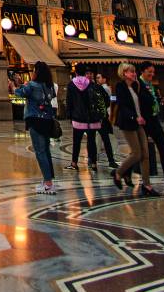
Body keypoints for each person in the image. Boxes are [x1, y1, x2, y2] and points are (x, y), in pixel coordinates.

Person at [111, 61, 159, 196]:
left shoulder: (136, 85)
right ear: (124, 73)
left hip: (139, 123)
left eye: (134, 71)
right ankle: (119, 172)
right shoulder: (120, 86)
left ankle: (147, 185)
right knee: (136, 153)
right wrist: (134, 117)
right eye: (131, 71)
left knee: (145, 155)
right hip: (128, 123)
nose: (134, 74)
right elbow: (123, 106)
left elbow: (147, 101)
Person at [14, 60, 57, 194]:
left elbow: (18, 93)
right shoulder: (49, 86)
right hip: (47, 120)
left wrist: (18, 83)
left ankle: (48, 183)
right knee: (46, 150)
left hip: (35, 120)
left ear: (36, 72)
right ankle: (48, 180)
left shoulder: (32, 85)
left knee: (40, 152)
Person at [138, 61, 164, 194]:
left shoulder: (151, 85)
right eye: (149, 71)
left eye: (153, 71)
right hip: (144, 123)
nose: (152, 74)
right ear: (143, 71)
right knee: (142, 154)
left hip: (154, 121)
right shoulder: (138, 85)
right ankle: (126, 173)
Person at [65, 63, 101, 171]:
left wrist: (69, 115)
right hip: (91, 118)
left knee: (77, 141)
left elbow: (69, 101)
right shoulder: (91, 84)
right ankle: (93, 163)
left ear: (75, 72)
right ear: (85, 72)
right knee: (91, 141)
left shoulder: (71, 84)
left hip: (77, 118)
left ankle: (74, 162)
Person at [88, 69, 117, 168]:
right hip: (101, 116)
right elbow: (109, 101)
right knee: (103, 138)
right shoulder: (98, 87)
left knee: (95, 139)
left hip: (97, 117)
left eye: (98, 77)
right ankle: (110, 160)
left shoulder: (100, 88)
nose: (96, 79)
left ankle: (93, 161)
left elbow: (109, 100)